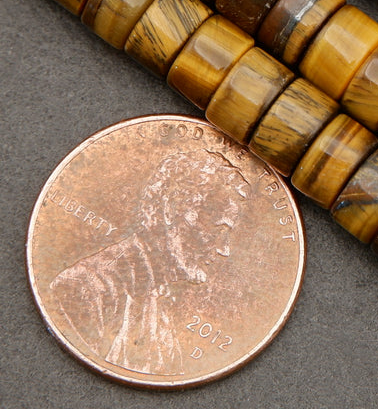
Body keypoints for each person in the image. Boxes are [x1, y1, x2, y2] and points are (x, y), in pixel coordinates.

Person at [49, 149, 249, 376]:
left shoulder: (162, 298)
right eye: (217, 229)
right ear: (171, 209)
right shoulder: (84, 287)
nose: (224, 249)